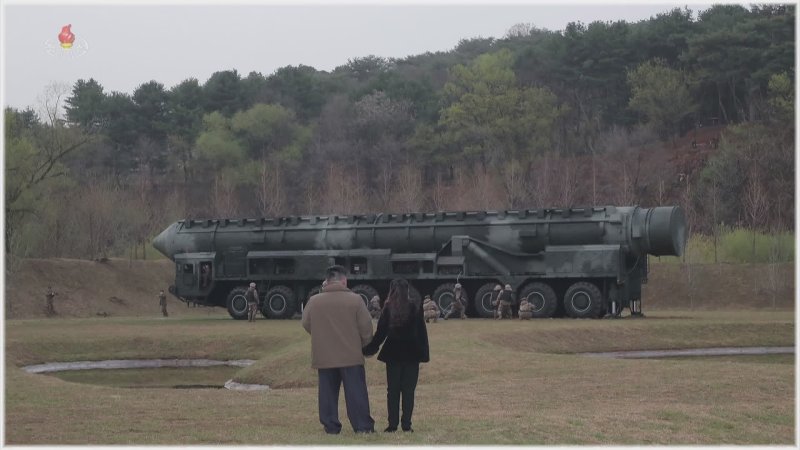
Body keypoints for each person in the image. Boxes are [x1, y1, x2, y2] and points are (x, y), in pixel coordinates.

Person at [302, 265, 375, 434]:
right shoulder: (356, 300)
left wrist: (320, 335)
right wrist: (363, 345)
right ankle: (363, 426)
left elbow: (306, 323)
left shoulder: (314, 301)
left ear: (326, 281)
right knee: (356, 393)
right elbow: (366, 327)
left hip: (324, 355)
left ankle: (331, 426)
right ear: (344, 280)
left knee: (327, 394)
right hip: (351, 355)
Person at [363, 278, 430, 433]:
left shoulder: (388, 308)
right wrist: (424, 353)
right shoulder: (415, 307)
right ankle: (407, 425)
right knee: (408, 391)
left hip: (393, 353)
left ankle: (392, 424)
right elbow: (422, 333)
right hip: (412, 354)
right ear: (407, 290)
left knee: (392, 391)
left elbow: (381, 333)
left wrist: (369, 349)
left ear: (391, 290)